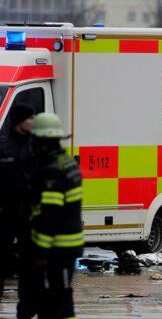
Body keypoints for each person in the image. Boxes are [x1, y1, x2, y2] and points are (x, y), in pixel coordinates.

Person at [17, 113, 84, 319]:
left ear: (43, 142)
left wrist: (41, 252)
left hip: (57, 248)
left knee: (60, 299)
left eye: (36, 141)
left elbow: (50, 216)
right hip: (67, 245)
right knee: (57, 297)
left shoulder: (52, 172)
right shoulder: (68, 164)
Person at [0, 104, 36, 299]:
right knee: (2, 255)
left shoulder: (36, 148)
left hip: (30, 215)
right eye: (30, 118)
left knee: (29, 261)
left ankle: (27, 303)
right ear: (19, 121)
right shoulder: (3, 147)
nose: (33, 121)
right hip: (7, 212)